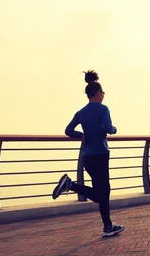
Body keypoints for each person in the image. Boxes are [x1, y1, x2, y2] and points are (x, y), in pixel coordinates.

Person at [52, 70, 124, 238]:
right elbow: (107, 128)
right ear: (98, 93)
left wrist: (81, 135)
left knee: (102, 192)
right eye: (103, 92)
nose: (103, 95)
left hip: (87, 157)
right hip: (100, 154)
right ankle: (70, 185)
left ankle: (108, 226)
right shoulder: (103, 108)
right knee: (102, 193)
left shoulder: (81, 112)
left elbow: (68, 130)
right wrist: (113, 129)